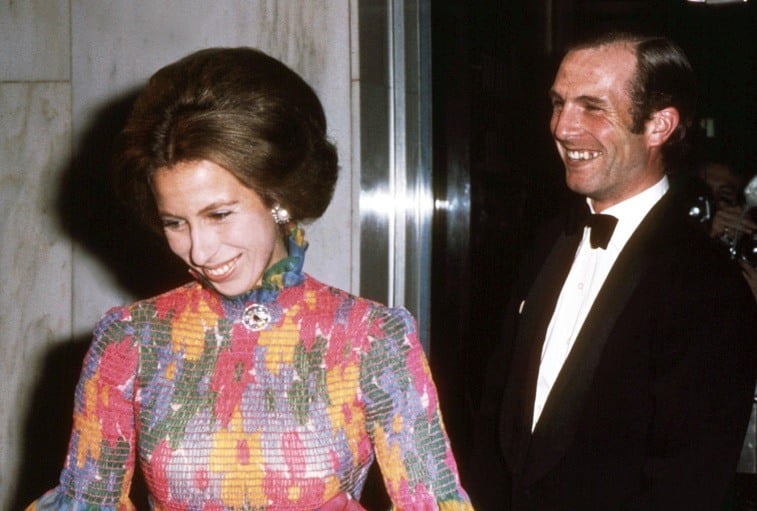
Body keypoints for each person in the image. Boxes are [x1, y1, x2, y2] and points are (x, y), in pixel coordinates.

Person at [25, 47, 473, 510]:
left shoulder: (371, 339)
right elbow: (87, 502)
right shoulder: (131, 340)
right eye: (175, 223)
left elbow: (432, 502)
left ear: (278, 197)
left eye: (219, 214)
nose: (198, 250)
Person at [468, 31, 757, 510]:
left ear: (659, 125)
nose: (562, 127)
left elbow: (686, 487)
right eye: (558, 103)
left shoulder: (708, 287)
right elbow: (496, 418)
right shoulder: (545, 242)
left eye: (591, 107)